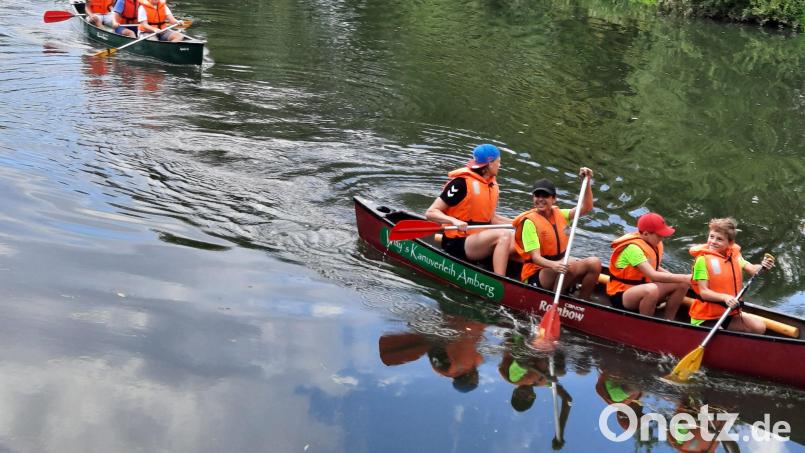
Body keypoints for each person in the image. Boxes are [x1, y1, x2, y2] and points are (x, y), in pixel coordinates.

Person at [425, 144, 514, 276]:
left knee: (516, 238)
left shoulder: (491, 184)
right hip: (457, 242)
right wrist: (453, 221)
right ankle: (500, 281)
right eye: (498, 162)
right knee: (505, 235)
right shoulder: (460, 184)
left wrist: (519, 222)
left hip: (477, 240)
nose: (499, 165)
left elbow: (491, 219)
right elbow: (431, 212)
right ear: (489, 164)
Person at [512, 168, 601, 299]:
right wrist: (556, 265)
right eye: (537, 195)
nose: (540, 199)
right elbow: (536, 258)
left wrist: (586, 182)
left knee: (595, 263)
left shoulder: (562, 215)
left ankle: (582, 303)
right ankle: (554, 299)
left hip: (561, 266)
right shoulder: (529, 223)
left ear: (553, 199)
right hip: (537, 273)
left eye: (545, 196)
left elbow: (586, 207)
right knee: (568, 265)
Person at [688, 218, 773, 334]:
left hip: (728, 313)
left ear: (730, 243)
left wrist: (762, 266)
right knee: (722, 336)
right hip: (705, 317)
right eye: (711, 236)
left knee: (759, 327)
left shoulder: (734, 255)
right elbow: (704, 292)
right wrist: (725, 298)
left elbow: (752, 269)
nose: (713, 241)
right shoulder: (702, 260)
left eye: (719, 239)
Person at [605, 212, 690, 319]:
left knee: (682, 283)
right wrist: (686, 277)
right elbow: (653, 275)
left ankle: (669, 321)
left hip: (644, 286)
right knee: (651, 289)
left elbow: (655, 267)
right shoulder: (633, 249)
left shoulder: (653, 242)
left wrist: (682, 279)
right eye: (659, 235)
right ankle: (646, 324)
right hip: (622, 294)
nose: (662, 238)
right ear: (645, 234)